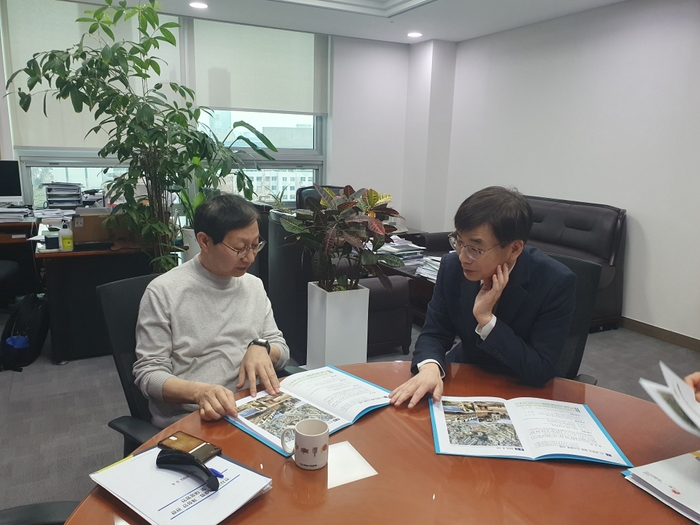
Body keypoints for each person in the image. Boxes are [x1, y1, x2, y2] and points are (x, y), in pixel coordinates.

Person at [390, 186, 576, 409]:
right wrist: (430, 367)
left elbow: (540, 369)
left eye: (475, 249)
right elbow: (434, 333)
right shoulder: (452, 267)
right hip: (467, 372)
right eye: (459, 241)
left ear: (514, 249)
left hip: (522, 387)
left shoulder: (554, 282)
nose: (462, 257)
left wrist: (487, 320)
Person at [133, 194, 290, 428]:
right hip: (196, 418)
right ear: (204, 241)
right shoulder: (164, 292)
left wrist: (262, 347)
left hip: (254, 408)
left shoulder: (253, 286)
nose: (250, 257)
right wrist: (200, 392)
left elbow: (282, 350)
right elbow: (149, 374)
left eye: (255, 245)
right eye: (240, 248)